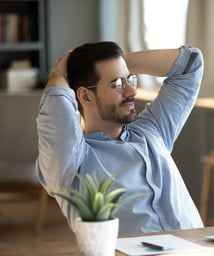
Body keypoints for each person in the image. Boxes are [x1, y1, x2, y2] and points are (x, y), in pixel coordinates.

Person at [36, 42, 204, 234]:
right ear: (85, 96)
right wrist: (58, 74)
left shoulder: (152, 130)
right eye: (117, 84)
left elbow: (190, 65)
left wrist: (121, 61)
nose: (132, 91)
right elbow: (57, 118)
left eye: (130, 79)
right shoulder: (72, 164)